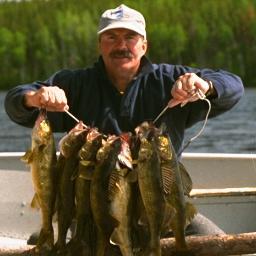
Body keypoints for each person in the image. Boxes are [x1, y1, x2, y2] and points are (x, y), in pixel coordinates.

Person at [5, 4, 243, 237]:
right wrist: (34, 98)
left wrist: (206, 86)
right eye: (111, 37)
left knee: (216, 241)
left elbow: (233, 86)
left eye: (130, 37)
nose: (121, 45)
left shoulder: (169, 80)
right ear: (100, 45)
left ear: (144, 45)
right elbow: (15, 104)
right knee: (46, 243)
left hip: (162, 209)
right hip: (95, 214)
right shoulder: (76, 84)